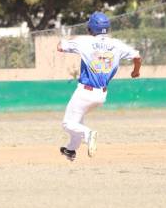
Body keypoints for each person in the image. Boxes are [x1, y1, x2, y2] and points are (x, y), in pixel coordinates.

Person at [56, 12, 142, 161]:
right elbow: (137, 56)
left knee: (67, 123)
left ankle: (89, 135)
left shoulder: (85, 41)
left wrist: (65, 38)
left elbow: (60, 47)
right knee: (77, 121)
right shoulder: (117, 44)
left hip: (85, 91)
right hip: (101, 95)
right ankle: (71, 150)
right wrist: (136, 71)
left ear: (90, 28)